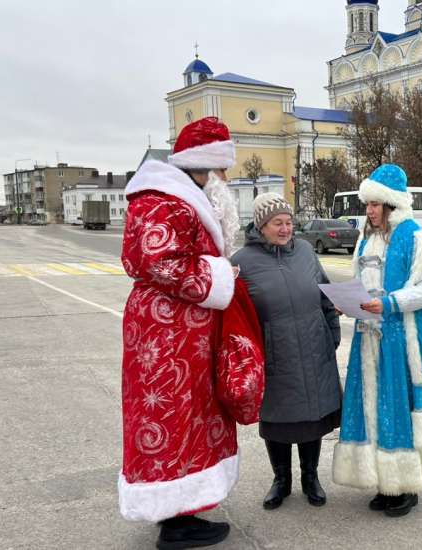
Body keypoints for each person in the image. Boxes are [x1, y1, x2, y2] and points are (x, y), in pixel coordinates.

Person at [119, 117, 264, 550]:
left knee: (189, 416)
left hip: (180, 332)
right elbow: (157, 262)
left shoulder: (177, 197)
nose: (222, 179)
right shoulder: (166, 200)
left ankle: (182, 509)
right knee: (171, 415)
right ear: (202, 166)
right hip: (167, 336)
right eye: (219, 170)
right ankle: (175, 521)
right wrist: (220, 276)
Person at [332, 164, 422, 518]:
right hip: (369, 339)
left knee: (397, 410)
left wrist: (389, 303)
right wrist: (350, 302)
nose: (368, 210)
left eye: (375, 204)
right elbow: (364, 282)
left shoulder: (417, 237)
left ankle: (406, 485)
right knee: (372, 411)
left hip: (399, 343)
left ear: (392, 204)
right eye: (367, 203)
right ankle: (385, 483)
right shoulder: (367, 239)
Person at [232, 192, 343, 510]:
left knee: (313, 417)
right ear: (261, 226)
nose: (285, 228)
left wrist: (331, 335)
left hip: (314, 346)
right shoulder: (242, 262)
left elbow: (325, 292)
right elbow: (235, 314)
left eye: (288, 222)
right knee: (278, 420)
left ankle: (311, 478)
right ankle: (281, 480)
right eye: (277, 223)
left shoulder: (307, 251)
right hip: (274, 353)